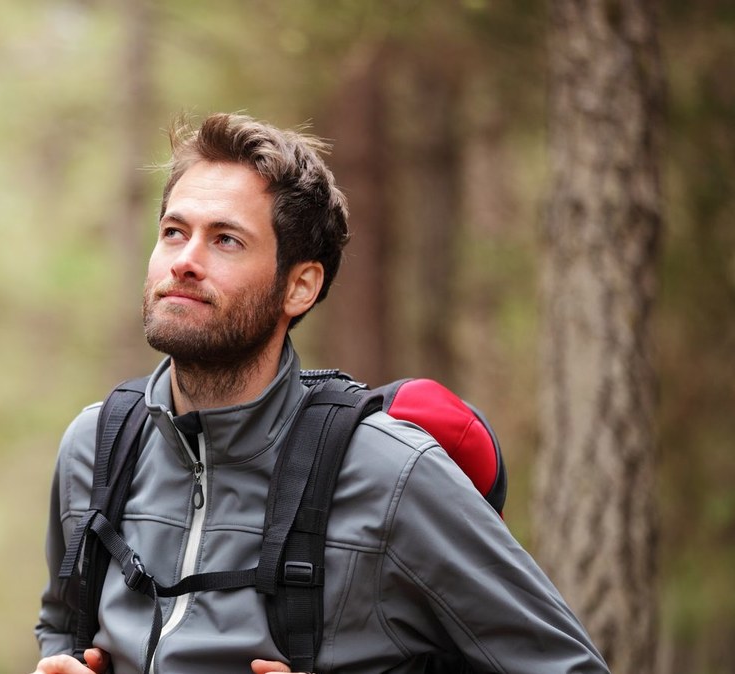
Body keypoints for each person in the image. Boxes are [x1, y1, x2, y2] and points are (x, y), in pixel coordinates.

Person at [32, 113, 608, 674]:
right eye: (174, 232)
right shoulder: (96, 446)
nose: (184, 261)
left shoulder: (391, 476)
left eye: (226, 240)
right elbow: (62, 623)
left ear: (299, 286)